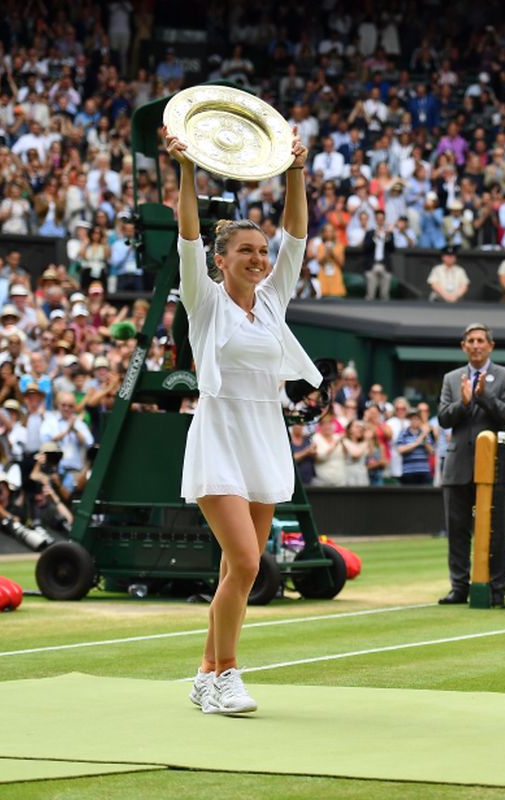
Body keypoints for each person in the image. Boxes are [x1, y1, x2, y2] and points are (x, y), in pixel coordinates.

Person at [165, 125, 320, 714]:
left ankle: (205, 674)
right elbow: (187, 234)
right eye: (246, 251)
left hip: (265, 438)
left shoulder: (274, 300)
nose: (259, 259)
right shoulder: (203, 300)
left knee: (240, 571)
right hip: (219, 437)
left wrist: (296, 171)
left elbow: (297, 235)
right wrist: (185, 169)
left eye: (261, 251)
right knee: (249, 561)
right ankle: (227, 674)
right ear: (219, 260)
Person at [436, 323, 505, 605]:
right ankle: (459, 587)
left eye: (480, 340)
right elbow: (444, 418)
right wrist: (463, 403)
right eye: (470, 341)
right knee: (457, 531)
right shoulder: (451, 378)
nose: (475, 345)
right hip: (457, 466)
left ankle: (496, 589)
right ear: (463, 346)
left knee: (495, 532)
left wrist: (483, 397)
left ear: (490, 345)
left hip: (494, 466)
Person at [361, 209, 396, 301]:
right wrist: (374, 237)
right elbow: (366, 248)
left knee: (385, 295)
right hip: (372, 265)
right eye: (378, 218)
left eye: (382, 218)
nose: (380, 220)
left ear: (384, 219)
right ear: (375, 219)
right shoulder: (370, 233)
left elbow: (392, 249)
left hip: (385, 265)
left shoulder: (389, 234)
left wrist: (388, 236)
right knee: (370, 295)